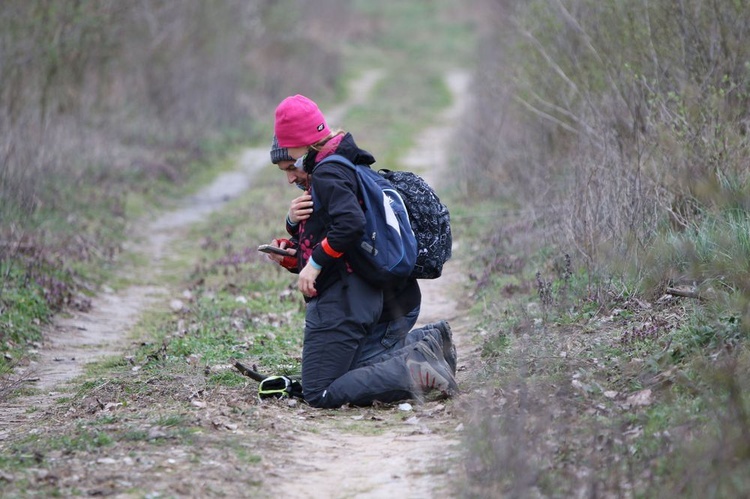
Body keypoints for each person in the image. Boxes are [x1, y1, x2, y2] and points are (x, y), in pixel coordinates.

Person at [263, 94, 457, 408]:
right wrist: (292, 247)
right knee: (347, 373)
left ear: (306, 146)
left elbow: (349, 225)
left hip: (344, 298)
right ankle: (427, 342)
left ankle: (416, 366)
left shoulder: (328, 173)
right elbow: (333, 234)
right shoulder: (346, 165)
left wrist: (312, 264)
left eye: (290, 165)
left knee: (320, 392)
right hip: (368, 294)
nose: (289, 177)